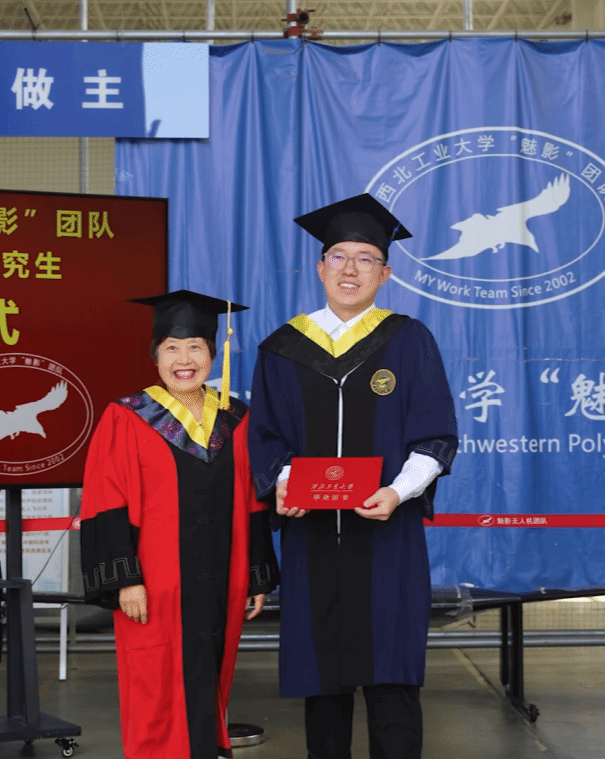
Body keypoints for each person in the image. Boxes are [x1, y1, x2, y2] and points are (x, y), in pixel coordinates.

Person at [248, 194, 459, 759]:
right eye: (339, 256)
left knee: (393, 679)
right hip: (313, 538)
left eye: (366, 259)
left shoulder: (409, 340)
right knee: (323, 684)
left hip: (388, 535)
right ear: (320, 267)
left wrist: (397, 492)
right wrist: (285, 482)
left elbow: (435, 436)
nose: (350, 268)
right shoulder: (282, 348)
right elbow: (265, 436)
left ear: (384, 274)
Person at [80, 290, 280, 759]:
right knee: (154, 680)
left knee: (211, 672)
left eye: (196, 347)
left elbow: (252, 500)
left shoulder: (235, 417)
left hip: (221, 578)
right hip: (154, 583)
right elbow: (106, 501)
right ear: (156, 356)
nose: (184, 359)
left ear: (213, 354)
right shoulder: (127, 416)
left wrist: (255, 575)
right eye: (172, 348)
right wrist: (125, 579)